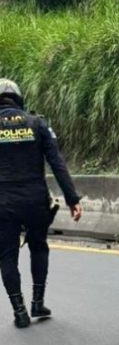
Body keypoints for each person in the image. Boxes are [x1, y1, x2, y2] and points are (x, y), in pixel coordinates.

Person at [0, 78, 82, 329]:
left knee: (7, 255)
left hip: (3, 201)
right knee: (39, 247)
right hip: (35, 198)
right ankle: (37, 301)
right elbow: (57, 162)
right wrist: (72, 199)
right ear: (18, 98)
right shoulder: (37, 123)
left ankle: (20, 311)